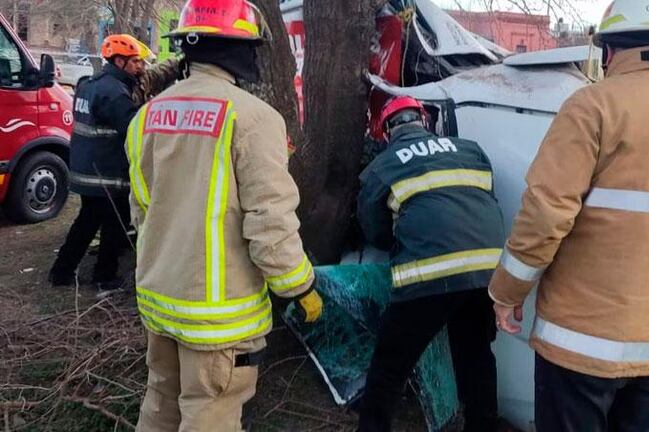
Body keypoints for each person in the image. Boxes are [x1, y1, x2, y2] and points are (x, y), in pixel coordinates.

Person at [488, 1, 649, 431]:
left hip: (576, 350)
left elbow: (545, 215)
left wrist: (508, 291)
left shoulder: (591, 107)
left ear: (608, 50)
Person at [128, 1, 323, 430]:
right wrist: (298, 286)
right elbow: (270, 222)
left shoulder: (146, 117)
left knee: (160, 403)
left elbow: (142, 210)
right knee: (210, 414)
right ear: (237, 50)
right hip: (219, 320)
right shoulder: (254, 119)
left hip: (160, 301)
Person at [356, 96, 505, 431]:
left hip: (428, 273)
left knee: (390, 365)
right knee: (475, 354)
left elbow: (375, 230)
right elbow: (483, 201)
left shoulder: (383, 165)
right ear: (425, 121)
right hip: (486, 272)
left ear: (385, 133)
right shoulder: (471, 149)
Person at [48, 34, 146, 291]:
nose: (140, 67)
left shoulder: (90, 84)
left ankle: (61, 272)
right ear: (119, 61)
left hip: (86, 169)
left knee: (88, 221)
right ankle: (104, 277)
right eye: (135, 62)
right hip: (106, 173)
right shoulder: (114, 93)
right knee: (115, 224)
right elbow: (134, 128)